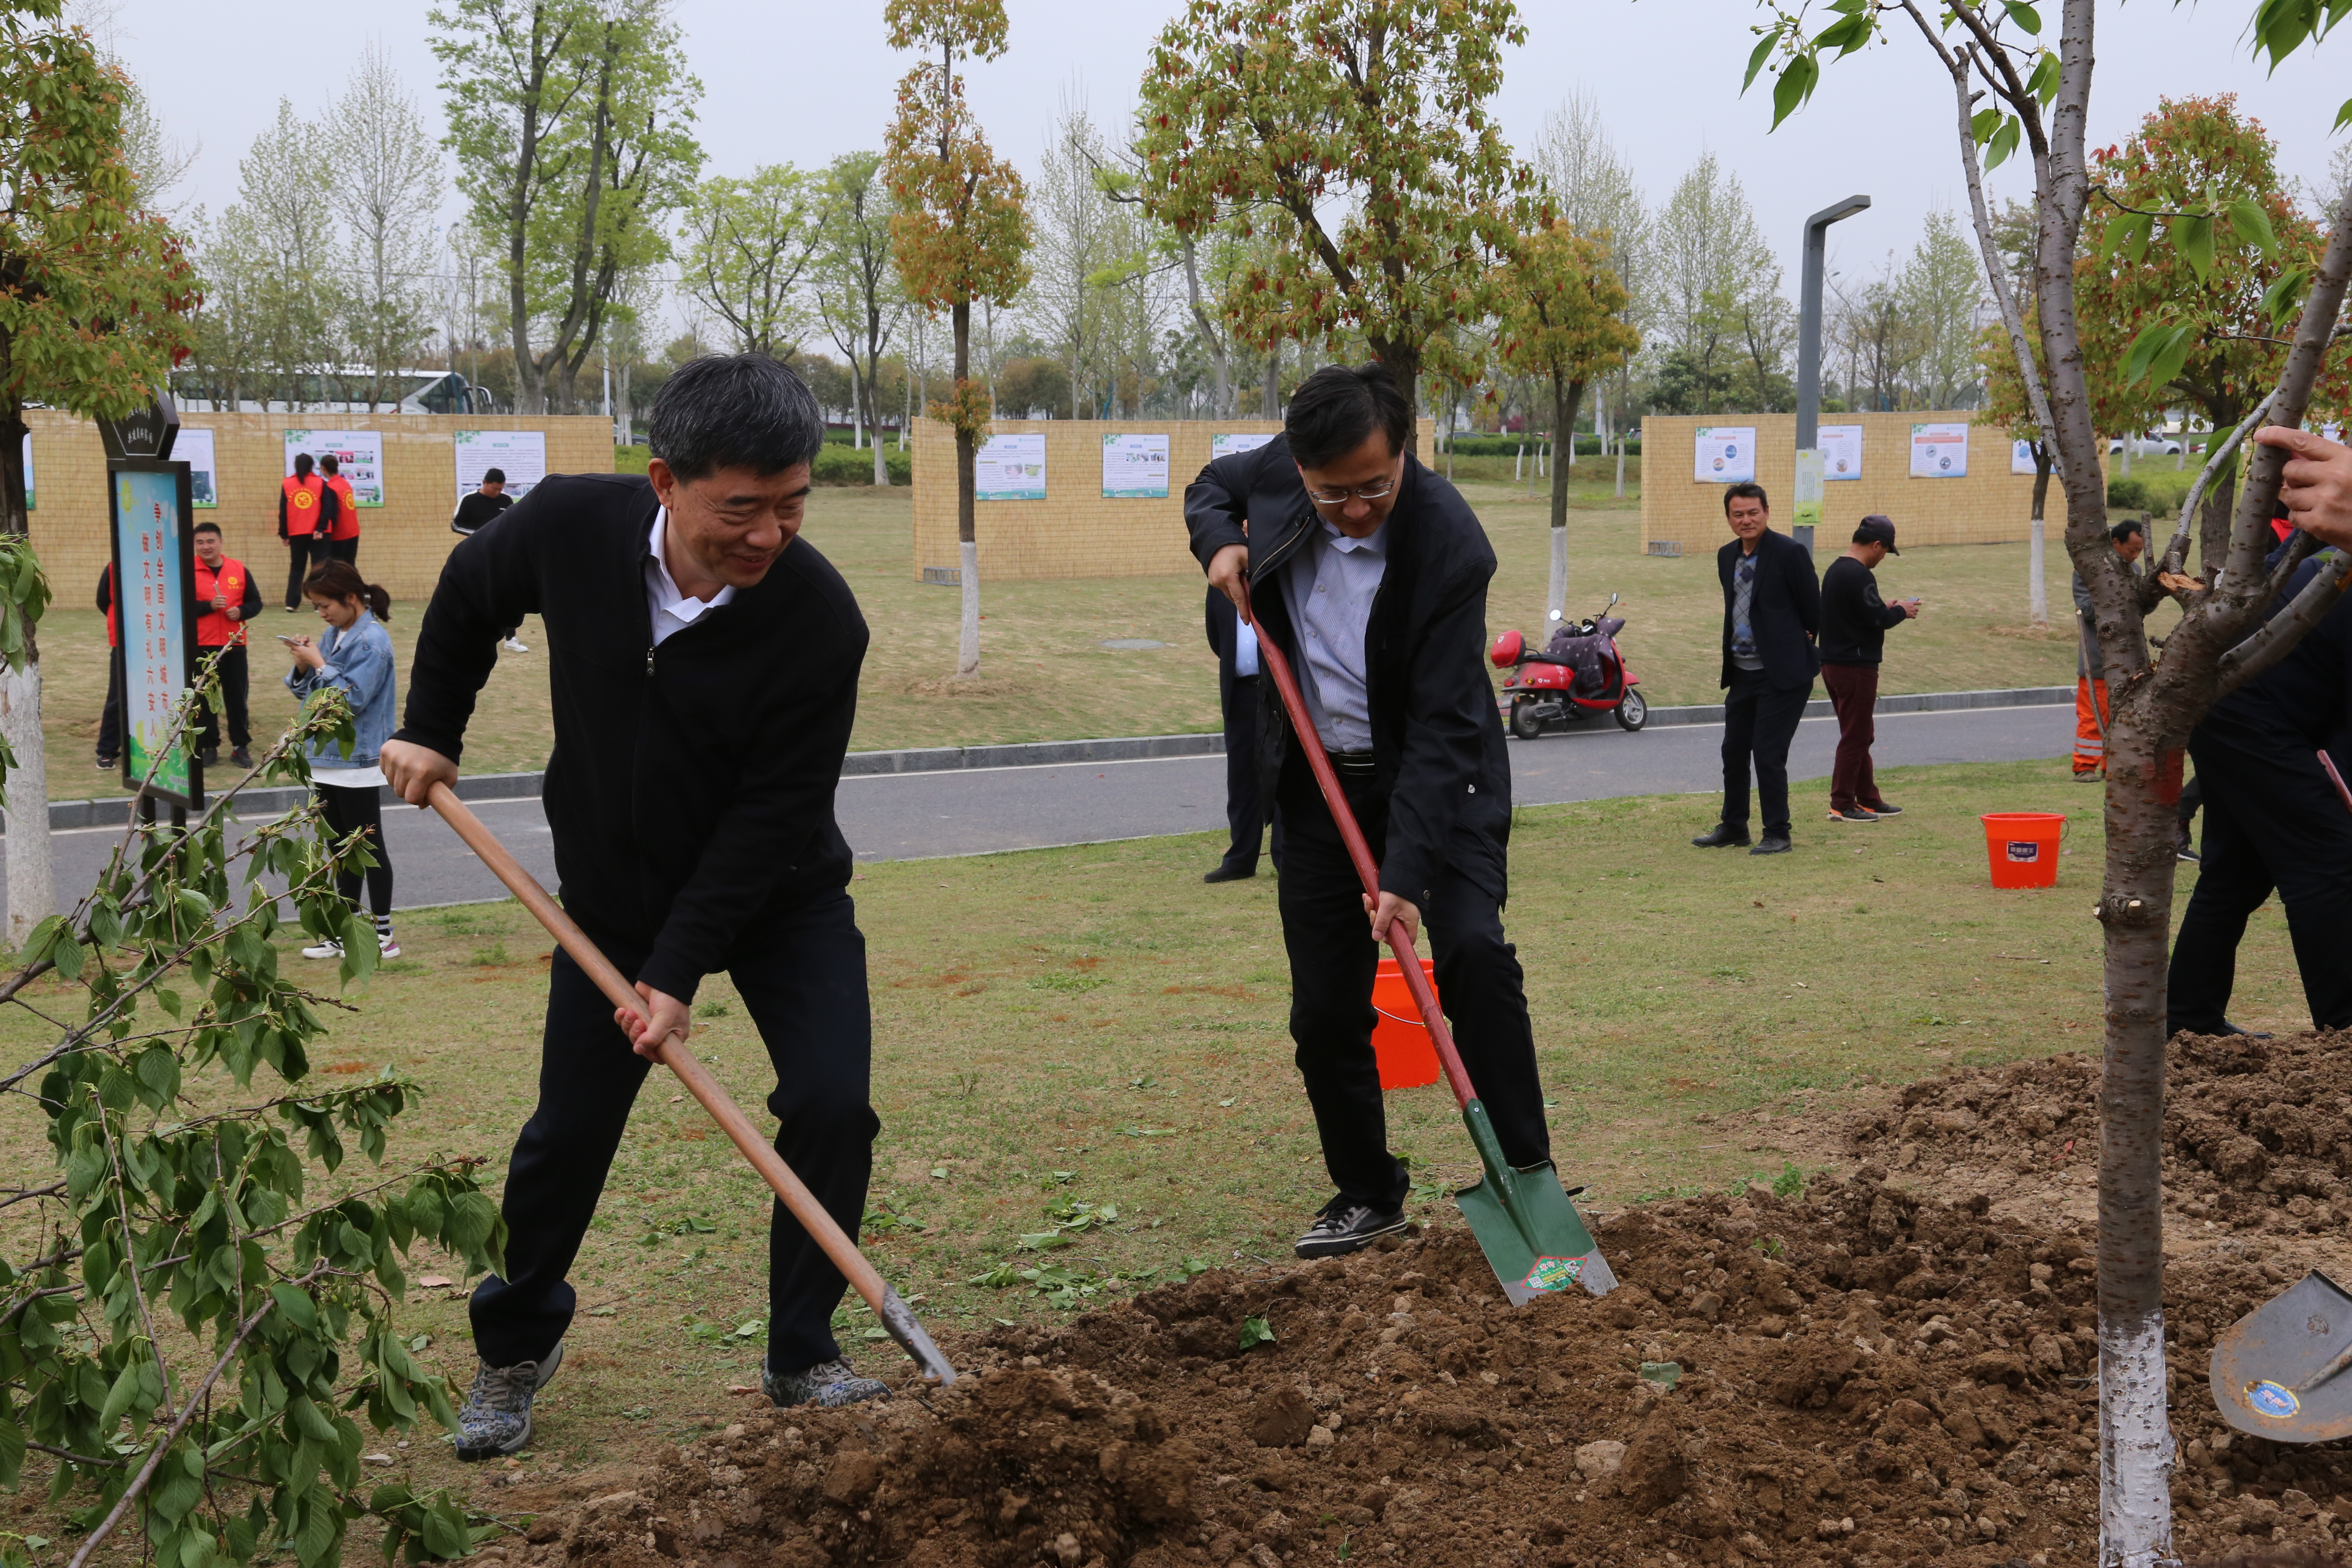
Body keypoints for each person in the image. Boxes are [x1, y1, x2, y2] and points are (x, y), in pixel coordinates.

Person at [380, 354, 881, 1457]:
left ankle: (803, 1352)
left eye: (790, 506)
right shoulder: (567, 526)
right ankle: (514, 1349)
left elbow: (772, 815)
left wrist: (679, 971)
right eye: (739, 510)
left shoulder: (816, 621)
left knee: (833, 1102)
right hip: (608, 898)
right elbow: (470, 598)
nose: (767, 536)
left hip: (780, 895)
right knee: (567, 1132)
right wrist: (431, 726)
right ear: (664, 481)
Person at [1188, 362, 1556, 1260]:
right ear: (1301, 470)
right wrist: (1216, 543)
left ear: (1406, 450)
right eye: (1332, 494)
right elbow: (1212, 487)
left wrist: (1404, 878)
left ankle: (1527, 1175)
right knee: (1324, 1011)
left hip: (1440, 780)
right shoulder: (1280, 470)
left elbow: (1438, 729)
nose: (1355, 509)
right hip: (1317, 789)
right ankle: (1366, 1190)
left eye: (1375, 487)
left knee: (1471, 951)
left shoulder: (1450, 545)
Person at [1692, 482, 1821, 855]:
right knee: (1734, 751)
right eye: (1738, 514)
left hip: (1783, 675)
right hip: (1742, 673)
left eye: (1753, 512)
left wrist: (1797, 645)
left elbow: (1813, 607)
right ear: (1728, 517)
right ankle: (1734, 826)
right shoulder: (1726, 556)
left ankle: (1778, 832)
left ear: (1766, 511)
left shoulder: (1790, 553)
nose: (1746, 520)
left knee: (1767, 753)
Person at [283, 559, 400, 962]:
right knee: (338, 848)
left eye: (324, 605)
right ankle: (343, 932)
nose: (322, 614)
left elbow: (351, 700)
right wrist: (303, 667)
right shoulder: (335, 633)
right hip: (325, 757)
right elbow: (313, 695)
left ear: (351, 598)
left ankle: (384, 933)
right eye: (316, 607)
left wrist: (318, 664)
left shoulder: (372, 641)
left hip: (360, 758)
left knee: (366, 844)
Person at [1816, 515, 1920, 824]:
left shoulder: (1836, 570)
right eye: (1885, 551)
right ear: (1876, 545)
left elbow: (1860, 613)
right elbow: (1879, 621)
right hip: (1855, 666)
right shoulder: (1859, 575)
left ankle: (1869, 798)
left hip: (1833, 663)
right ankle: (1842, 803)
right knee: (1857, 736)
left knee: (1860, 733)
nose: (1883, 558)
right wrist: (1902, 610)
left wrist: (1882, 606)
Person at [2070, 518, 2145, 779]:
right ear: (2116, 543)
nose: (2135, 556)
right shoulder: (2087, 570)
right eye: (2132, 549)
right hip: (2097, 660)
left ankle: (2112, 766)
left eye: (2139, 550)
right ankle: (2084, 767)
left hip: (2129, 659)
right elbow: (2086, 610)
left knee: (2123, 718)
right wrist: (2120, 599)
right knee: (2093, 715)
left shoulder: (2134, 570)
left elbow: (2141, 610)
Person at [1203, 585, 1267, 882]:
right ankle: (1241, 860)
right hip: (1238, 693)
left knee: (1283, 775)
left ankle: (1284, 856)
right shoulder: (1220, 583)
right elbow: (1216, 637)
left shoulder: (1275, 572)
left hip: (1277, 694)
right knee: (1240, 779)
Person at [192, 520, 261, 770]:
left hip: (234, 645)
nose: (206, 547)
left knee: (236, 698)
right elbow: (181, 606)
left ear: (221, 542)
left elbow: (256, 603)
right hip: (202, 646)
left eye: (211, 541)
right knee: (205, 699)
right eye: (200, 542)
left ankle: (240, 747)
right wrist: (207, 607)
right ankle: (208, 745)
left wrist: (241, 611)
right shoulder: (187, 571)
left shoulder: (238, 569)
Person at [451, 470, 529, 654]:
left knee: (512, 595)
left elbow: (515, 524)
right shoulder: (469, 500)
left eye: (501, 489)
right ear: (485, 483)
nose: (497, 493)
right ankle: (472, 636)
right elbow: (456, 525)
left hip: (503, 558)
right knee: (475, 596)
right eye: (495, 489)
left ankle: (511, 638)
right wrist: (481, 536)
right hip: (476, 556)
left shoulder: (506, 501)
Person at [279, 452, 339, 611]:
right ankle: (318, 603)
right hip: (319, 533)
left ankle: (292, 603)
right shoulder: (321, 483)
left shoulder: (287, 484)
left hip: (297, 532)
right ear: (312, 466)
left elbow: (283, 511)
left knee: (297, 568)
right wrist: (320, 528)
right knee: (319, 568)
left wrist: (284, 534)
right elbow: (327, 508)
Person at [95, 564, 122, 772]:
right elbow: (103, 601)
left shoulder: (162, 562)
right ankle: (107, 750)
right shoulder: (115, 567)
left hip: (157, 642)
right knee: (118, 696)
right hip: (124, 642)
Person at [319, 452, 362, 567]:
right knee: (350, 566)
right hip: (353, 531)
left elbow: (332, 513)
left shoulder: (330, 488)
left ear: (323, 469)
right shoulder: (345, 483)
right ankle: (356, 585)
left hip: (340, 534)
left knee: (338, 569)